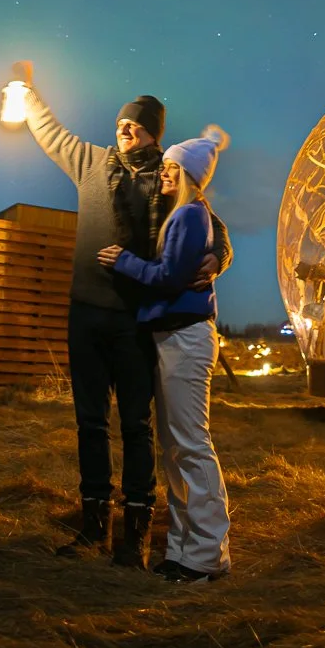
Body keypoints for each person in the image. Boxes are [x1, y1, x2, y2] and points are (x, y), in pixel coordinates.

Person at [19, 75, 233, 568]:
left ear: (155, 134)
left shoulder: (169, 173)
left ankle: (133, 538)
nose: (125, 129)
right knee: (89, 423)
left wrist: (218, 256)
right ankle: (93, 526)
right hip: (86, 313)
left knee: (137, 426)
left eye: (135, 124)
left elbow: (210, 224)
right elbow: (50, 131)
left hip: (136, 319)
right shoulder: (91, 162)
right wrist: (27, 96)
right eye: (120, 122)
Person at [98, 126, 232, 583]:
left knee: (191, 446)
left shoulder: (193, 215)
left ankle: (207, 557)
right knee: (174, 449)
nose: (165, 176)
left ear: (194, 177)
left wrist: (123, 261)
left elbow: (172, 276)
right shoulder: (184, 212)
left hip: (187, 336)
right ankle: (183, 551)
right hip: (172, 337)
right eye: (166, 168)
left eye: (175, 169)